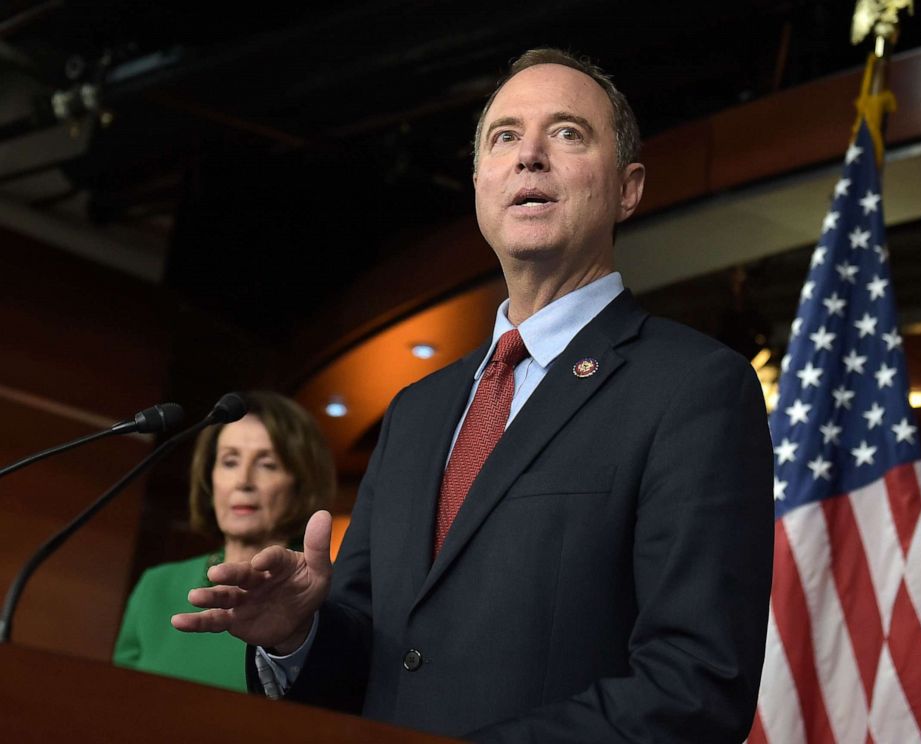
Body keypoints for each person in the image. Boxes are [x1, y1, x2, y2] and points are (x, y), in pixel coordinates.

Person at [173, 48, 773, 741]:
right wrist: (297, 637)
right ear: (480, 183)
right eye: (505, 137)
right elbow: (377, 659)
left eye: (568, 133)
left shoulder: (693, 388)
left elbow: (693, 688)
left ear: (628, 188)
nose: (529, 156)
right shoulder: (416, 411)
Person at [114, 390, 335, 691]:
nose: (243, 481)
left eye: (267, 464)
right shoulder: (157, 585)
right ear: (210, 476)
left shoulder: (324, 594)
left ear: (300, 481)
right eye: (230, 462)